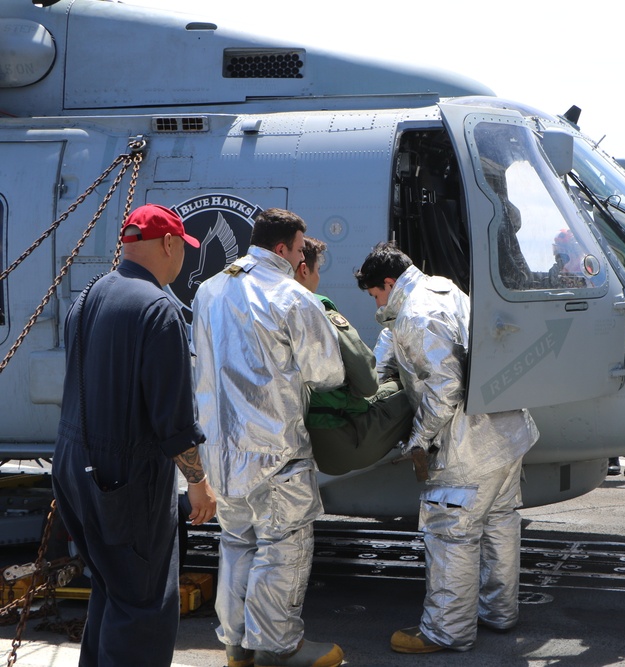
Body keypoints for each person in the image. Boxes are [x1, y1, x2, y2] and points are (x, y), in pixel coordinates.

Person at [52, 204, 217, 667]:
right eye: (181, 248)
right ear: (167, 244)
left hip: (73, 469)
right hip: (124, 480)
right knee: (143, 606)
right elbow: (174, 421)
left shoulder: (88, 295)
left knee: (111, 591)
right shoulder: (159, 309)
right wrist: (199, 486)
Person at [355, 242, 539, 654]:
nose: (376, 302)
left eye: (375, 295)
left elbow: (445, 386)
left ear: (388, 283)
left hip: (467, 446)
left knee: (450, 533)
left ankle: (447, 631)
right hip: (506, 433)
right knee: (499, 523)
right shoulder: (443, 288)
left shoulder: (417, 315)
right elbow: (402, 337)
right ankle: (499, 612)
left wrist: (418, 439)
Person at [192, 209, 346, 667]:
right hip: (277, 454)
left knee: (238, 544)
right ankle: (281, 647)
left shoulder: (209, 289)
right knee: (284, 548)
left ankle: (237, 646)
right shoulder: (291, 295)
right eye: (301, 250)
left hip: (221, 454)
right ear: (283, 249)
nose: (303, 257)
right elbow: (328, 372)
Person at [293, 236, 413, 475]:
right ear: (305, 271)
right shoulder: (317, 309)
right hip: (337, 445)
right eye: (318, 270)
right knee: (414, 391)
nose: (318, 278)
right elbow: (368, 382)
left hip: (292, 441)